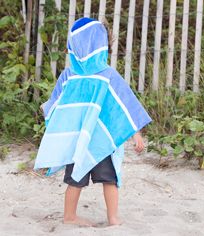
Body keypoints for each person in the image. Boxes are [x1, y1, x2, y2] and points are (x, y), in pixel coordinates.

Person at [34, 17, 152, 227]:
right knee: (79, 179)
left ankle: (112, 217)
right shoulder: (72, 75)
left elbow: (123, 104)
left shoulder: (98, 75)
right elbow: (56, 103)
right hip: (81, 140)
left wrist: (136, 133)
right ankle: (72, 216)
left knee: (106, 179)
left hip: (99, 140)